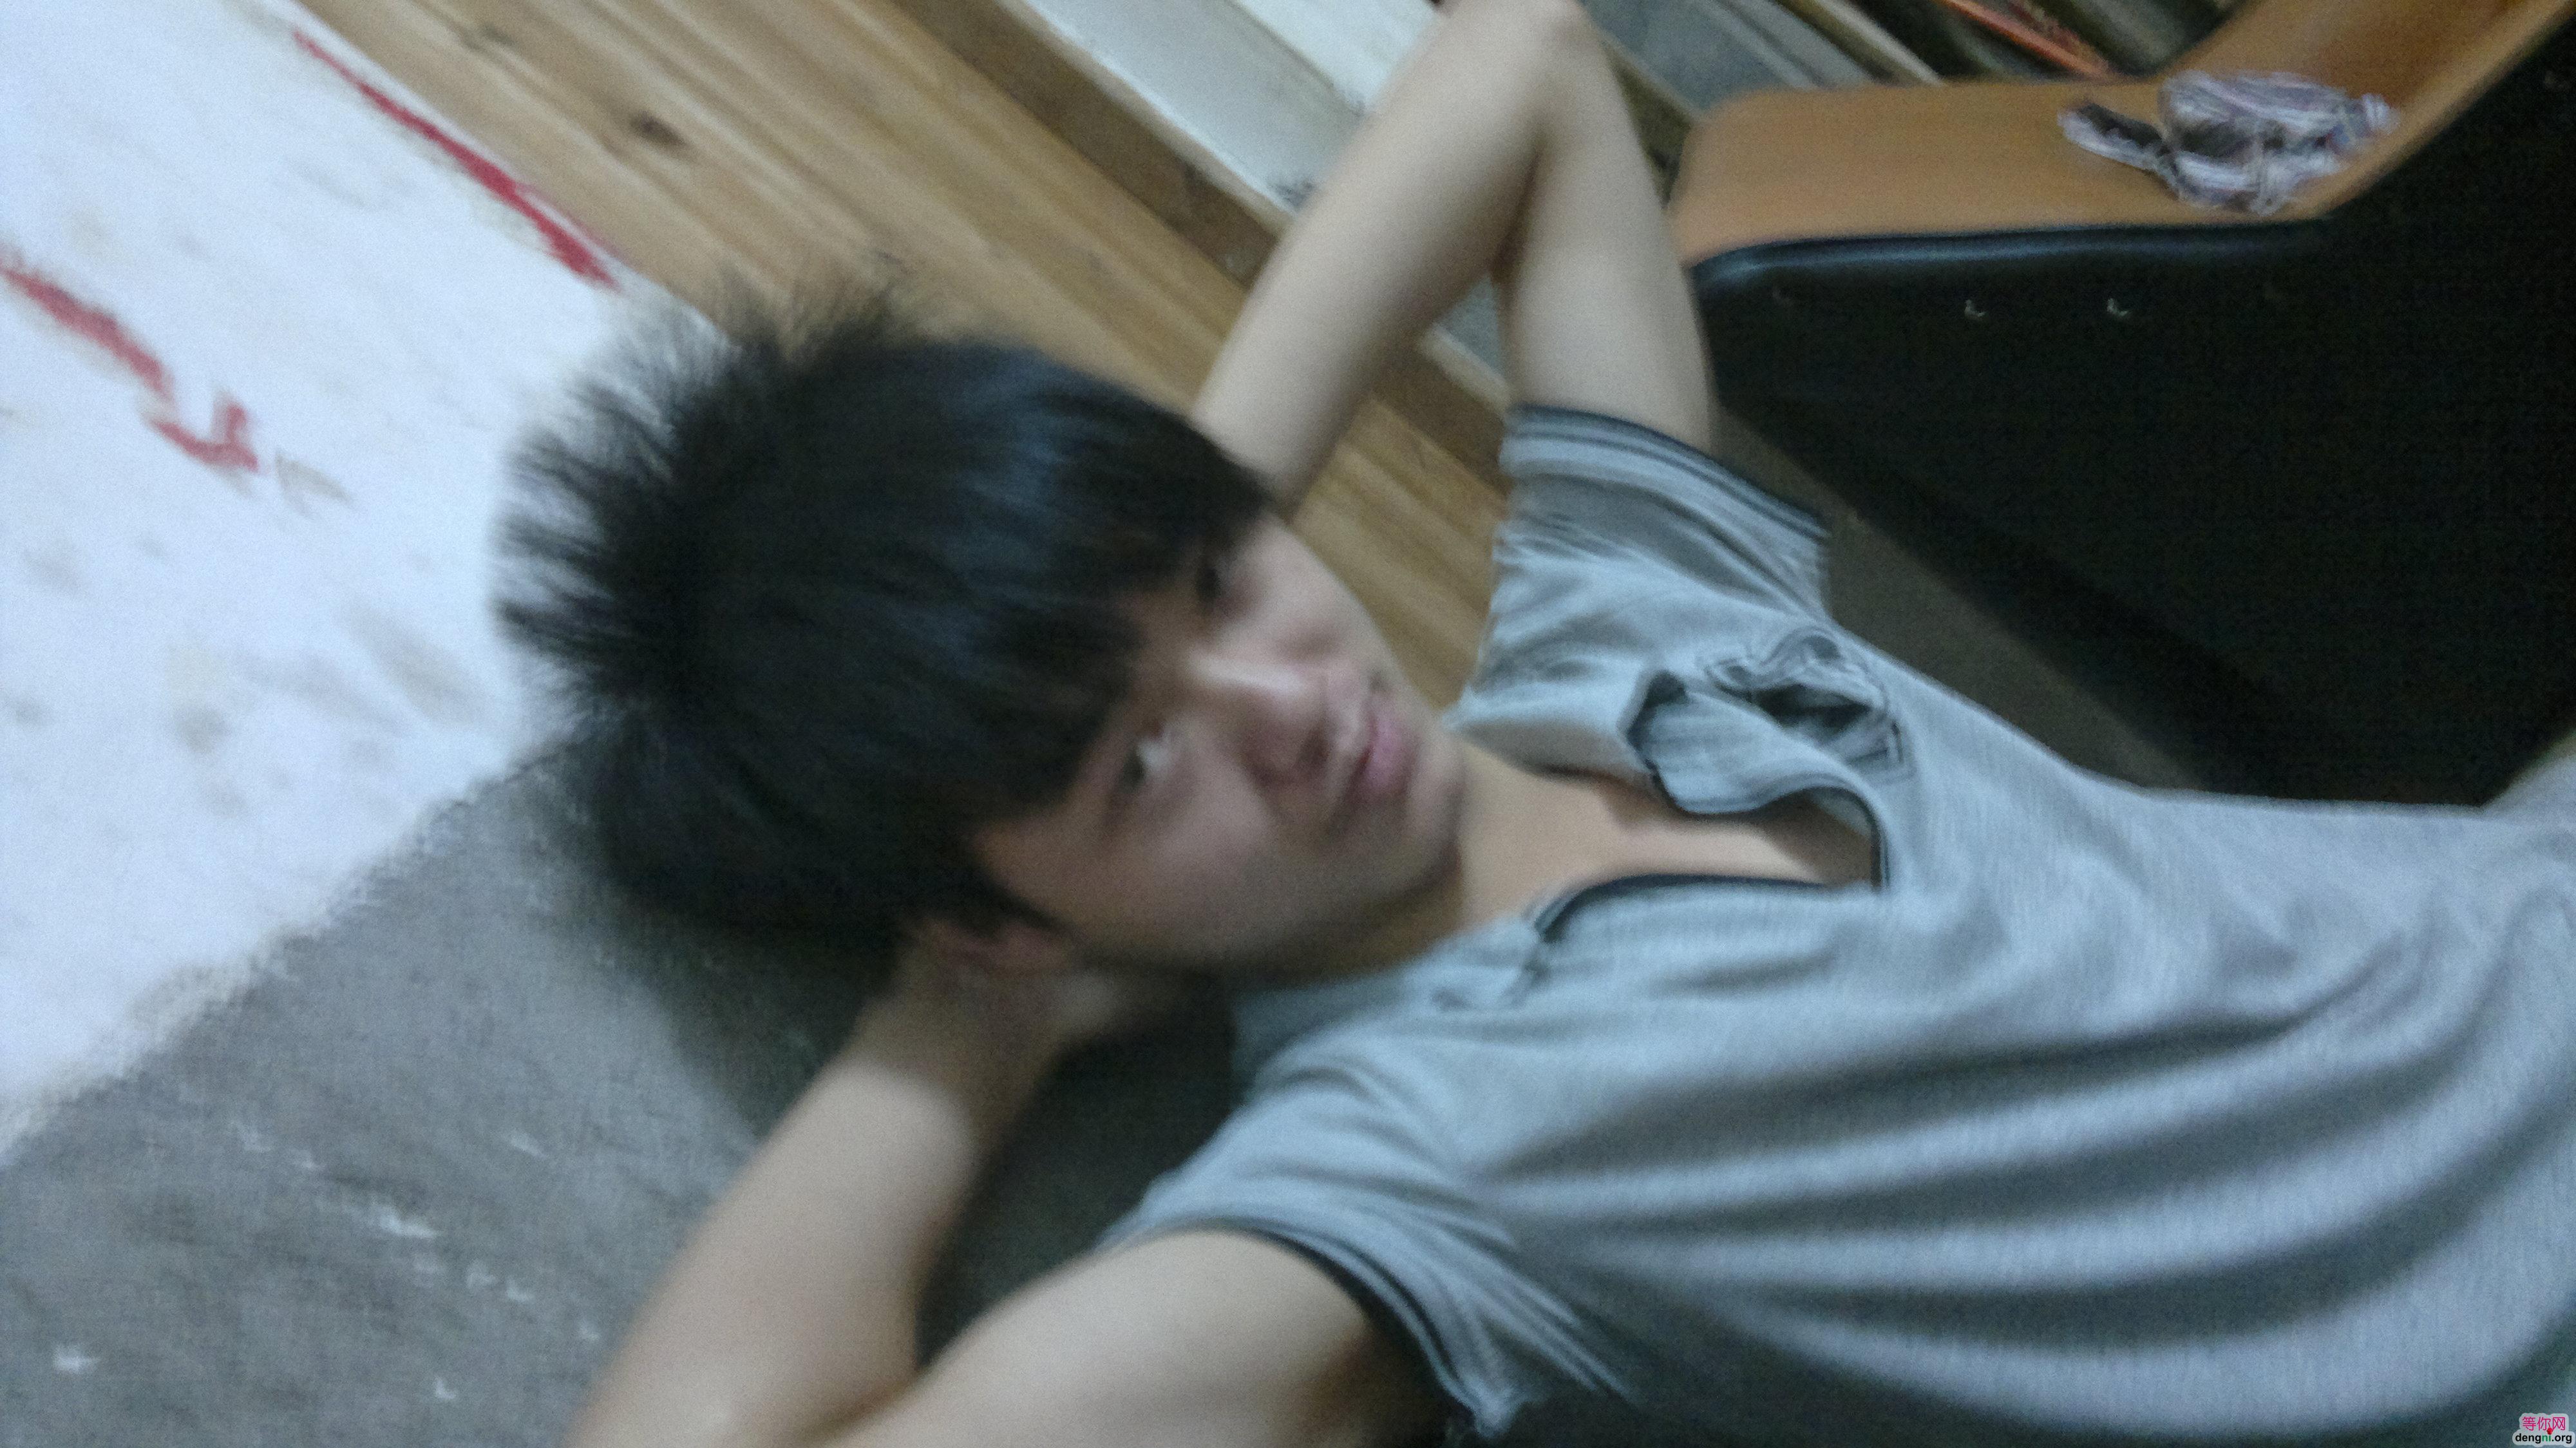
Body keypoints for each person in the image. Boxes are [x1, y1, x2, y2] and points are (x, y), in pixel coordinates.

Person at [500, 0, 2576, 1443]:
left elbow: (1526, 65)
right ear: (1004, 906)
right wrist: (967, 1015)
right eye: (1135, 764)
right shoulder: (1435, 1161)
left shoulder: (1623, 627)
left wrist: (1149, 538)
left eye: (1226, 585)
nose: (1291, 704)